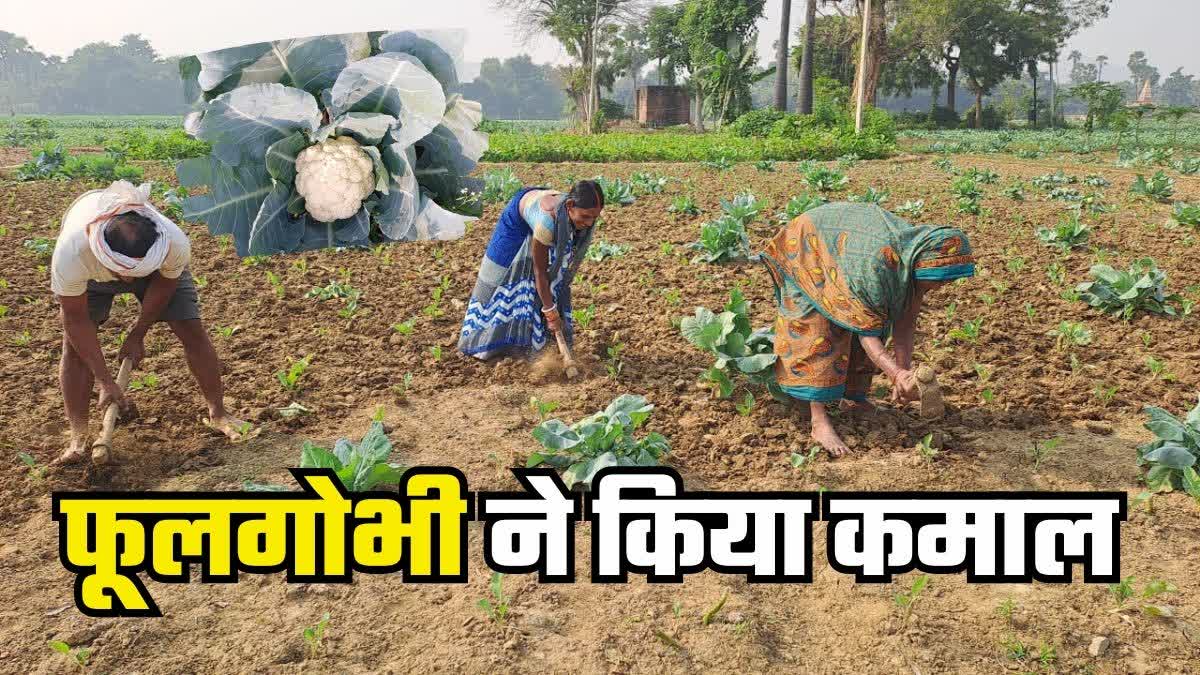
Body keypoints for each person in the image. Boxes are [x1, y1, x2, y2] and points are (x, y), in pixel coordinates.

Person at [51, 181, 246, 465]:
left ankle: (218, 413)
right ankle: (78, 438)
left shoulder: (173, 244)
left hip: (156, 273)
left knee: (190, 327)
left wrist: (138, 333)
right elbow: (76, 320)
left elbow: (165, 287)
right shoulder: (72, 253)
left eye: (136, 273)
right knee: (74, 349)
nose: (129, 280)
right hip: (92, 277)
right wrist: (106, 380)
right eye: (122, 272)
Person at [758, 202, 976, 456]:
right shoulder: (876, 266)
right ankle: (819, 421)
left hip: (848, 254)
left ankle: (854, 399)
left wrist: (904, 374)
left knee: (874, 318)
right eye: (941, 279)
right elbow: (866, 334)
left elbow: (905, 322)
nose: (943, 286)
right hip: (809, 245)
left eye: (949, 280)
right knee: (819, 331)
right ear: (922, 263)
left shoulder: (909, 263)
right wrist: (894, 373)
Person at [458, 180, 604, 360]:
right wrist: (550, 312)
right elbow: (540, 272)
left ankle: (535, 341)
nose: (590, 223)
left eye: (594, 217)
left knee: (551, 280)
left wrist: (550, 302)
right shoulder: (546, 223)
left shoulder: (573, 214)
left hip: (541, 206)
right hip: (517, 218)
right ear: (570, 205)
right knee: (499, 275)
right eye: (586, 216)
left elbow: (554, 273)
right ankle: (487, 344)